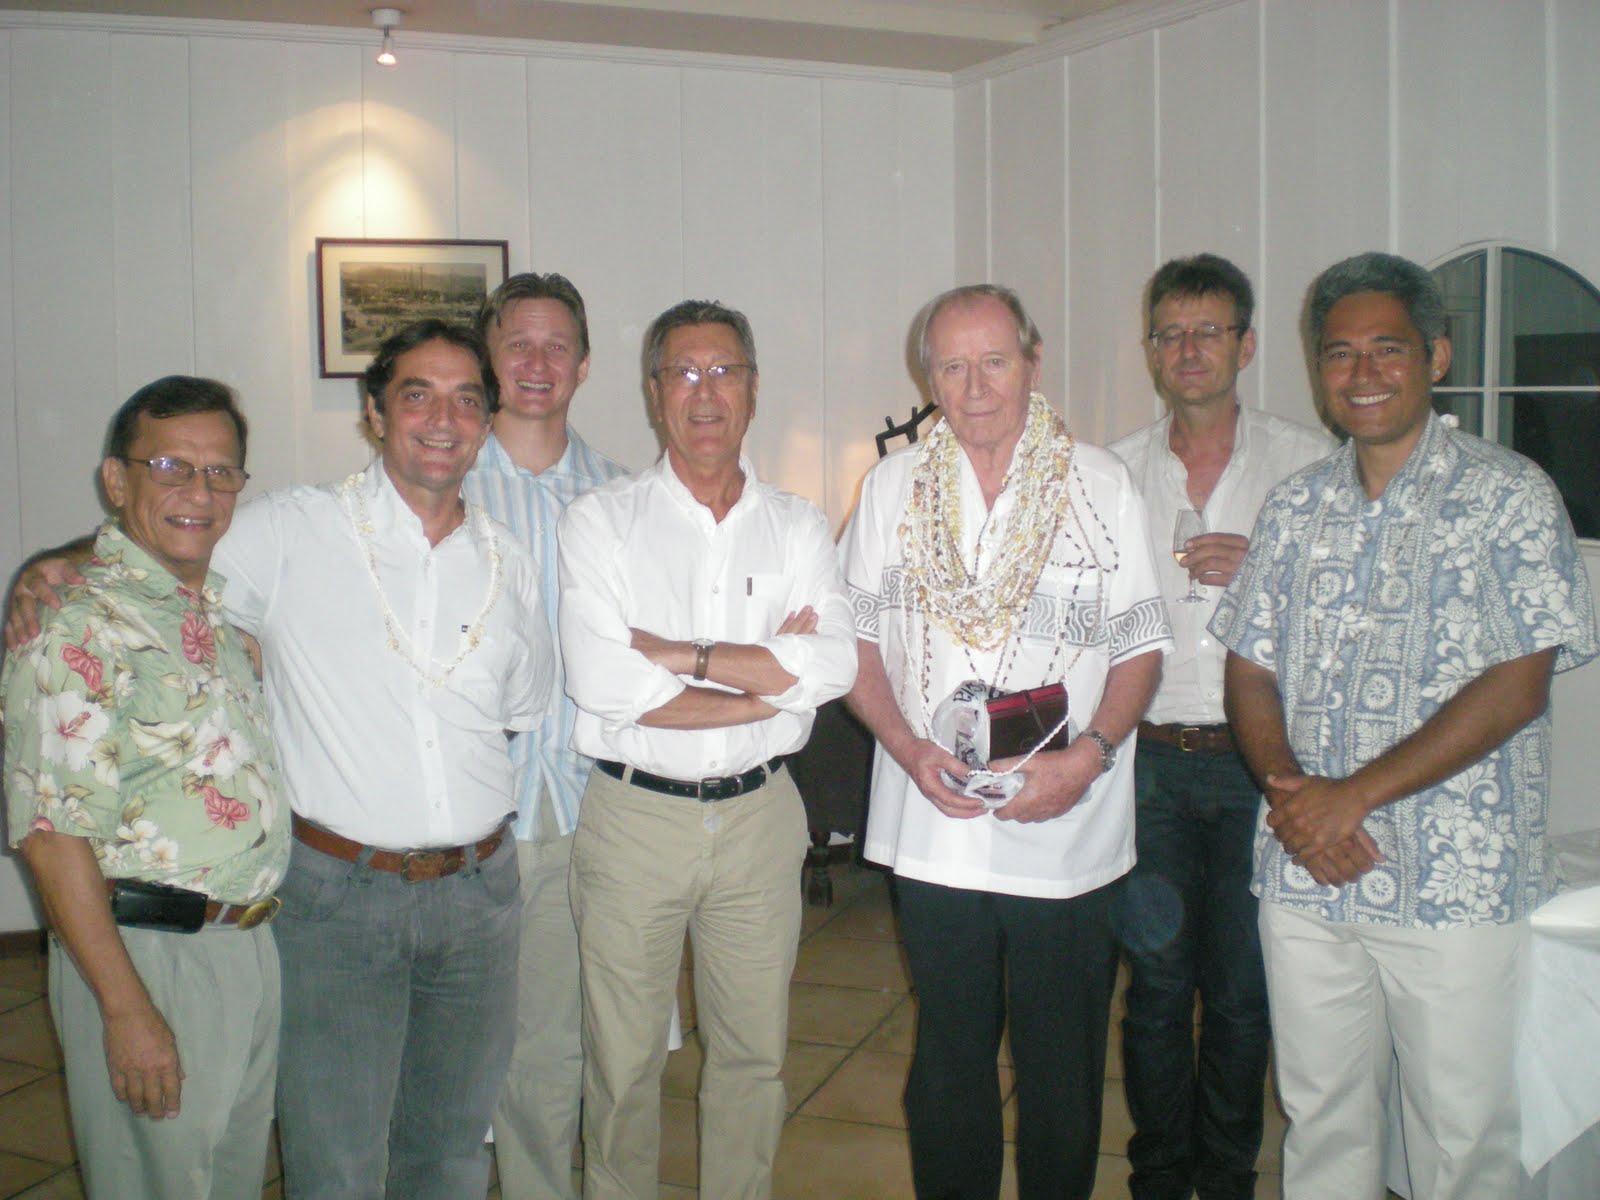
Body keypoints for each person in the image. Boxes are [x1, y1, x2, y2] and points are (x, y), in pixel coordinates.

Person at [6, 320, 556, 1198]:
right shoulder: (293, 529)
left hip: (480, 897)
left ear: (488, 421)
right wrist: (49, 566)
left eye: (467, 399)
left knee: (452, 1148)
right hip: (340, 899)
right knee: (334, 1158)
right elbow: (167, 540)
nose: (443, 418)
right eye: (417, 394)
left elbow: (522, 712)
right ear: (375, 414)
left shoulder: (511, 564)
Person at [1212, 252, 1599, 1199]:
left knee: (1462, 1140)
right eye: (1339, 354)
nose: (1363, 373)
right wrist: (1293, 796)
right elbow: (1249, 667)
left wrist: (1352, 798)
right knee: (1323, 1121)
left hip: (1454, 883)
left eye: (1387, 349)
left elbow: (1518, 685)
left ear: (1437, 354)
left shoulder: (1509, 496)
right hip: (1308, 876)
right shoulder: (1296, 506)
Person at [841, 283, 1171, 1200]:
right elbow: (857, 643)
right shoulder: (892, 489)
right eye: (952, 365)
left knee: (1061, 1066)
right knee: (948, 1056)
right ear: (928, 376)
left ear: (1033, 361)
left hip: (1065, 827)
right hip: (933, 819)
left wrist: (1092, 756)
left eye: (994, 361)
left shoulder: (1098, 483)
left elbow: (1141, 645)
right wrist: (908, 750)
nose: (975, 385)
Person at [556, 299, 856, 1200]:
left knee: (753, 1058)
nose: (705, 391)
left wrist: (677, 657)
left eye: (724, 370)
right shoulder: (599, 522)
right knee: (622, 1065)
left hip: (764, 819)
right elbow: (607, 688)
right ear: (653, 394)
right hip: (634, 818)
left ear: (754, 389)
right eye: (683, 372)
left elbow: (833, 664)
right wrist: (769, 682)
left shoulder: (798, 525)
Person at [3, 376, 287, 1199]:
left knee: (221, 1182)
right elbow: (52, 837)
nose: (199, 491)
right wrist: (126, 1012)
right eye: (171, 466)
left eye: (221, 471)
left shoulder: (217, 622)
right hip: (148, 957)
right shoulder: (72, 624)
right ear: (116, 481)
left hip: (245, 947)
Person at [1109, 254, 1333, 1200]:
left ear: (1244, 345)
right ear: (1152, 350)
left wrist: (1268, 571)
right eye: (1171, 333)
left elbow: (1348, 618)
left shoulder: (1308, 465)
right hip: (1149, 764)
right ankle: (1159, 1173)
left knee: (1245, 993)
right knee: (1157, 990)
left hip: (1258, 768)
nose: (1188, 350)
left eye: (1208, 332)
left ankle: (1228, 1172)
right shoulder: (1114, 471)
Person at [463, 272, 626, 1200]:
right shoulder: (431, 478)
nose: (535, 362)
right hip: (463, 814)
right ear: (491, 356)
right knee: (449, 1044)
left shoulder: (621, 495)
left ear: (584, 364)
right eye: (517, 343)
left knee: (556, 1046)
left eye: (555, 345)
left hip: (584, 811)